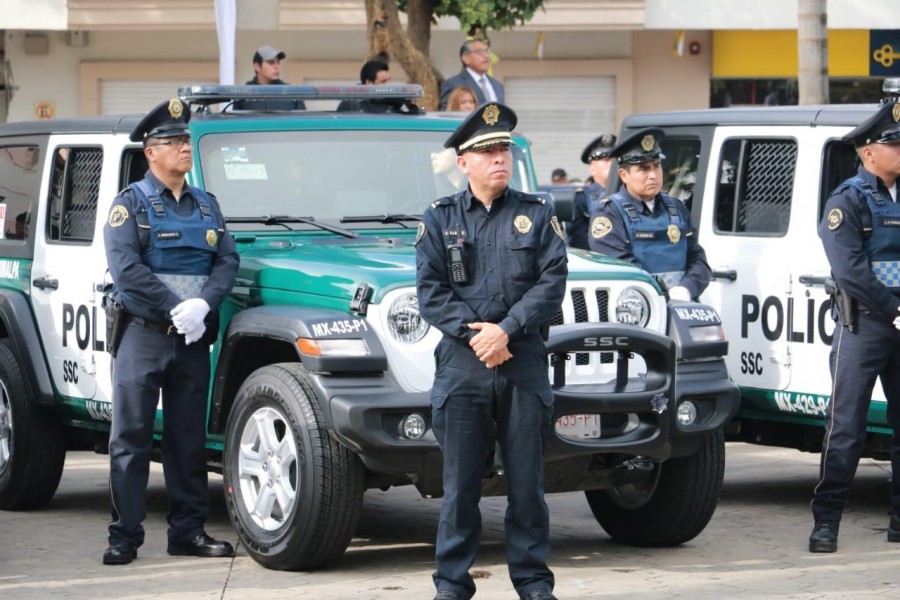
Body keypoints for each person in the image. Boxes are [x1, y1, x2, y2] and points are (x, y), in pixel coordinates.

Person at [416, 102, 567, 600]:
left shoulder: (537, 213)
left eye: (503, 149)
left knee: (527, 486)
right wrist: (480, 335)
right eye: (486, 151)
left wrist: (506, 331)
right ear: (464, 162)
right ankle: (452, 585)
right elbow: (430, 291)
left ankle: (532, 582)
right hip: (463, 365)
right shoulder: (439, 219)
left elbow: (551, 283)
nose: (498, 158)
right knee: (460, 488)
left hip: (521, 361)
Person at [101, 98, 239, 565]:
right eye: (173, 141)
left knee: (188, 441)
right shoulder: (130, 206)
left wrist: (203, 304)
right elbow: (126, 270)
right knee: (131, 439)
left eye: (185, 140)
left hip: (192, 337)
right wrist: (176, 306)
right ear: (150, 152)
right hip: (143, 334)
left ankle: (188, 531)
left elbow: (227, 260)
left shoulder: (206, 204)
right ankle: (124, 535)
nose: (184, 147)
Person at [809, 101, 900, 553]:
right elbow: (850, 271)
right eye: (894, 144)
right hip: (865, 325)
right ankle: (826, 522)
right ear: (868, 153)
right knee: (846, 428)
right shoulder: (847, 200)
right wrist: (894, 310)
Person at [587, 128, 710, 301]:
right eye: (644, 169)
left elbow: (698, 260)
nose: (653, 175)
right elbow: (622, 268)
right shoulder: (608, 213)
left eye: (657, 166)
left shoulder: (676, 207)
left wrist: (686, 289)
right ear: (624, 175)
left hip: (683, 307)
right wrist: (665, 294)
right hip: (637, 312)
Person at [564, 134, 616, 250]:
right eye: (606, 160)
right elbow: (577, 243)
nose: (612, 163)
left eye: (615, 159)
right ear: (592, 169)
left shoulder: (632, 195)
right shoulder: (581, 199)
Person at [233, 45, 306, 111]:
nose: (276, 66)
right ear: (257, 66)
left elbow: (303, 123)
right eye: (271, 62)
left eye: (278, 62)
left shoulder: (292, 93)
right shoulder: (243, 94)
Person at [439, 40, 505, 110]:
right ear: (465, 58)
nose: (486, 56)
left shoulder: (497, 85)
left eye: (487, 52)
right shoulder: (453, 84)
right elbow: (446, 114)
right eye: (480, 52)